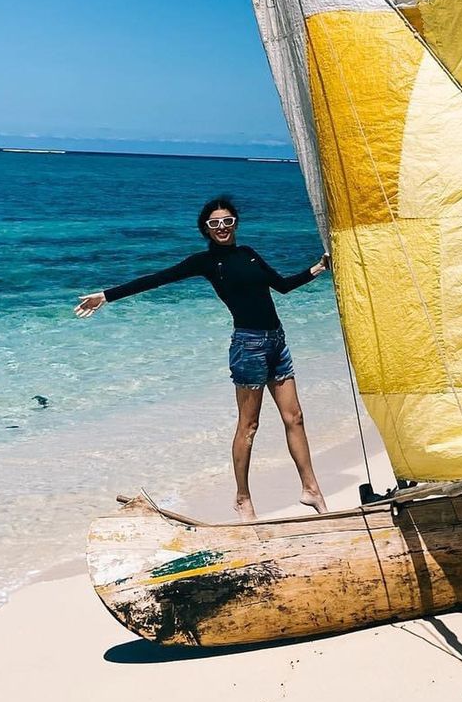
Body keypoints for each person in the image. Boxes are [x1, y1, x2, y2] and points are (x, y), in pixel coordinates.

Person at [75, 195, 330, 523]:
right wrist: (107, 296)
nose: (222, 228)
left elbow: (281, 286)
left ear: (235, 223)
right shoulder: (206, 262)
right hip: (248, 347)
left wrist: (320, 267)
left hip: (277, 343)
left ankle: (311, 489)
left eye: (227, 222)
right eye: (214, 224)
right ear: (206, 230)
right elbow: (159, 278)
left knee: (294, 418)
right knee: (249, 426)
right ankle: (242, 498)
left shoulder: (249, 254)